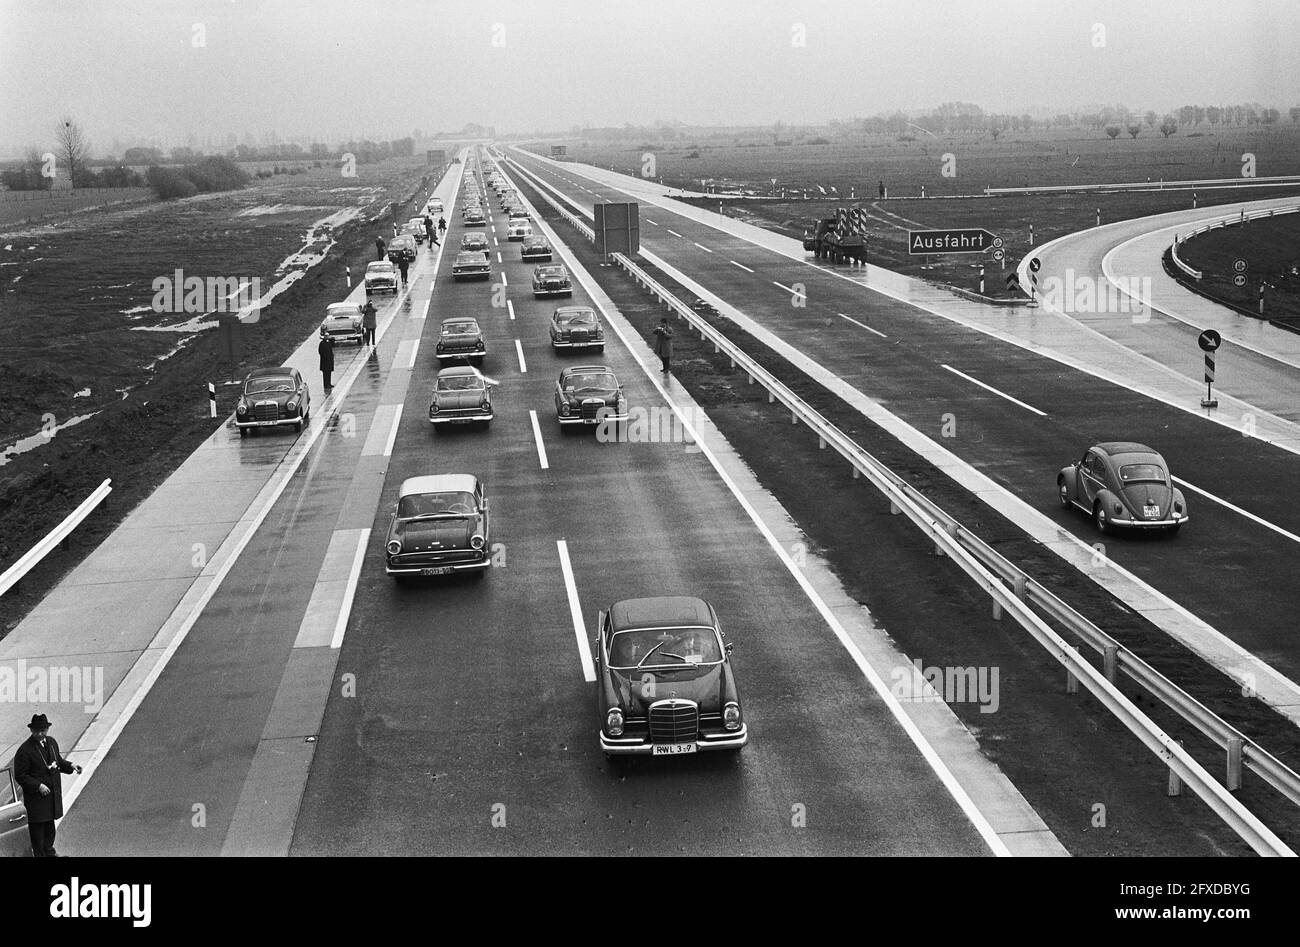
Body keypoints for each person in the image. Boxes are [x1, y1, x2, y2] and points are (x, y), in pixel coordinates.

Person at [14, 714, 81, 857]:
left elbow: (58, 762)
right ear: (31, 731)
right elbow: (20, 776)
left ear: (47, 729)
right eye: (36, 731)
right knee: (38, 834)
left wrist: (71, 766)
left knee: (50, 830)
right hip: (37, 802)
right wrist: (38, 786)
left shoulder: (51, 742)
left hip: (51, 799)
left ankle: (50, 854)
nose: (40, 734)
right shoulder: (24, 750)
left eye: (43, 730)